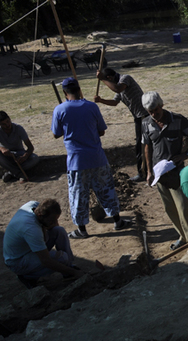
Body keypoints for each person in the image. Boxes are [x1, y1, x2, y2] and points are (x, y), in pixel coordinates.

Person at [51, 77, 132, 239]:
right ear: (79, 89)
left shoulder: (60, 110)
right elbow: (101, 131)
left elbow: (56, 133)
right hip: (97, 158)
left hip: (76, 161)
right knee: (107, 190)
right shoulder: (91, 106)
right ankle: (117, 221)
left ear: (65, 92)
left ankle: (82, 230)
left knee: (78, 195)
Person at [141, 91, 188, 250]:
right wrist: (149, 171)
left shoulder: (178, 120)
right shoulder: (146, 123)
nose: (154, 114)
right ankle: (182, 236)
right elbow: (147, 147)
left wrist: (186, 154)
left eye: (156, 110)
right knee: (170, 208)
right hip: (159, 175)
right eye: (150, 112)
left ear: (162, 105)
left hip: (177, 172)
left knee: (183, 205)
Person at [3, 199, 84, 289]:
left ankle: (69, 268)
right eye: (51, 221)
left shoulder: (34, 206)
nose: (54, 223)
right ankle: (27, 277)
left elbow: (54, 226)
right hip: (17, 261)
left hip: (28, 248)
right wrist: (74, 272)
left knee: (59, 230)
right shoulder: (31, 229)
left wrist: (48, 226)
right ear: (40, 216)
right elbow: (46, 261)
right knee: (61, 257)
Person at [94, 67, 148, 182]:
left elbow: (117, 89)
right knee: (142, 144)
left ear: (110, 78)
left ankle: (143, 173)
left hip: (143, 116)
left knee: (141, 146)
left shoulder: (125, 79)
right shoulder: (119, 84)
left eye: (107, 80)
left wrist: (102, 79)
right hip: (138, 117)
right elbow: (115, 102)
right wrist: (101, 100)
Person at [0, 111, 40, 183]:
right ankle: (20, 174)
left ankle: (11, 172)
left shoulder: (19, 128)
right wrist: (1, 148)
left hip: (19, 154)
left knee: (35, 158)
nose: (7, 125)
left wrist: (25, 156)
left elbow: (30, 147)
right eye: (4, 124)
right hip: (5, 156)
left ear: (10, 118)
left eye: (8, 121)